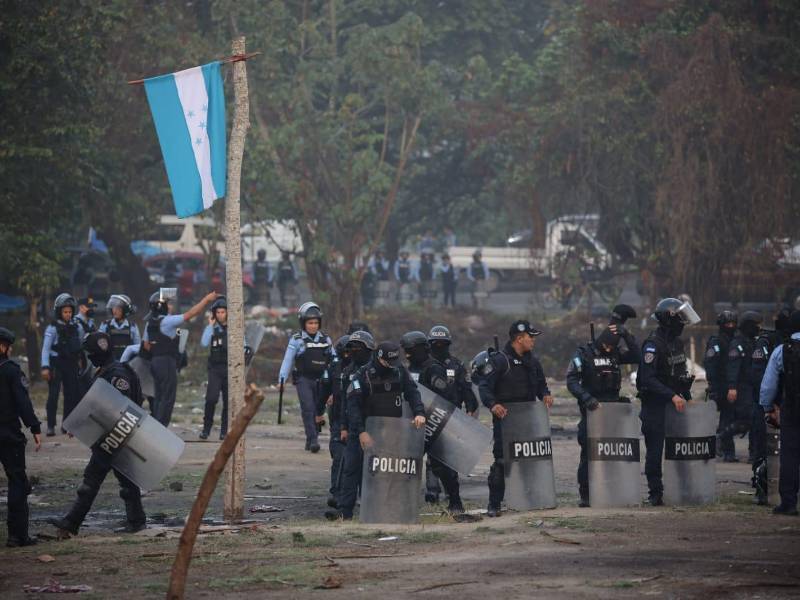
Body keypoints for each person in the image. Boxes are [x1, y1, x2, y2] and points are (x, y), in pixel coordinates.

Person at [48, 332, 146, 536]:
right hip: (113, 436)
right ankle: (137, 522)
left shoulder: (117, 374)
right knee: (126, 482)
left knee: (92, 480)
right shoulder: (108, 371)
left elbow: (120, 408)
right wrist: (81, 424)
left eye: (91, 353)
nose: (89, 357)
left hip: (115, 436)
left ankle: (71, 522)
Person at [333, 341, 426, 520]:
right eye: (387, 362)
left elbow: (412, 392)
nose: (391, 366)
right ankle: (345, 513)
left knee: (388, 471)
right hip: (364, 430)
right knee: (352, 469)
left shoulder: (399, 370)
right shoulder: (362, 375)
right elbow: (352, 407)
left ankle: (386, 509)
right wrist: (361, 432)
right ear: (379, 358)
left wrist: (419, 413)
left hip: (391, 431)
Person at [566, 305, 639, 506]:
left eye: (612, 348)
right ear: (601, 342)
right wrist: (586, 398)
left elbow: (638, 356)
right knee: (588, 455)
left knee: (612, 454)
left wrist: (627, 335)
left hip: (612, 412)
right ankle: (586, 494)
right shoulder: (585, 354)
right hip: (592, 411)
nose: (609, 350)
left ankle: (611, 489)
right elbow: (571, 381)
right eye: (607, 347)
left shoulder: (615, 352)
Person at [479, 320, 553, 517]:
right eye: (531, 337)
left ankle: (529, 499)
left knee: (529, 460)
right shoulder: (499, 360)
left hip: (528, 418)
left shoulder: (532, 361)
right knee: (502, 461)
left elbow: (541, 383)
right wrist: (493, 404)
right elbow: (484, 387)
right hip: (506, 419)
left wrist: (545, 394)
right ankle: (494, 504)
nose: (533, 341)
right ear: (519, 339)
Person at [636, 297, 700, 506]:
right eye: (679, 319)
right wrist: (671, 395)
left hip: (676, 405)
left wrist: (686, 396)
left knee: (680, 448)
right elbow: (647, 378)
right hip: (655, 405)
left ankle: (682, 488)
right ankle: (655, 493)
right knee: (655, 451)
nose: (682, 324)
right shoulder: (653, 345)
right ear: (669, 319)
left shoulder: (677, 343)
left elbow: (680, 373)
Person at [143, 289, 218, 426]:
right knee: (168, 397)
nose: (170, 306)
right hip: (166, 362)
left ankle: (155, 426)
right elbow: (192, 313)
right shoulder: (167, 321)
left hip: (155, 362)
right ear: (161, 306)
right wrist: (206, 300)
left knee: (159, 397)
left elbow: (146, 345)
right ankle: (161, 428)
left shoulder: (150, 323)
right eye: (168, 304)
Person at [428, 325, 480, 512]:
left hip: (452, 420)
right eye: (436, 344)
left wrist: (471, 407)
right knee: (433, 462)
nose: (440, 347)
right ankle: (431, 493)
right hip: (428, 420)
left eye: (443, 344)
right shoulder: (425, 366)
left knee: (448, 463)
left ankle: (455, 500)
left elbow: (466, 389)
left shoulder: (456, 365)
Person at [325, 330, 376, 519]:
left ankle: (370, 506)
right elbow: (345, 403)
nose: (354, 351)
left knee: (371, 469)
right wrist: (344, 427)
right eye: (352, 348)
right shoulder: (347, 372)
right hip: (354, 427)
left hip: (375, 426)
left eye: (358, 348)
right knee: (350, 468)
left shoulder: (377, 370)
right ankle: (345, 511)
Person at [0, 327, 42, 547]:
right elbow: (22, 402)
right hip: (7, 435)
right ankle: (17, 535)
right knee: (17, 481)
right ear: (4, 347)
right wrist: (34, 427)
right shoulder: (11, 370)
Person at [278, 302, 334, 452]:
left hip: (322, 380)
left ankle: (312, 437)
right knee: (308, 408)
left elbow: (334, 360)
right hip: (303, 379)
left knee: (318, 409)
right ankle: (313, 439)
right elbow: (287, 360)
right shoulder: (297, 340)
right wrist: (281, 379)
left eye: (316, 323)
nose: (313, 326)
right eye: (310, 323)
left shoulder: (326, 340)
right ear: (303, 323)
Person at [760, 310, 800, 516]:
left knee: (790, 456)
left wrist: (768, 408)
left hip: (792, 410)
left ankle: (789, 503)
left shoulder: (782, 351)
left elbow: (768, 386)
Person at [751, 308, 791, 504]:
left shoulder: (785, 346)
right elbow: (761, 378)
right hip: (772, 404)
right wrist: (770, 406)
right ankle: (762, 488)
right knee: (764, 447)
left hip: (782, 404)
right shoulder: (769, 342)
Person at [41, 293, 85, 436]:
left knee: (71, 395)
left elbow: (80, 344)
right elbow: (46, 349)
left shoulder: (76, 327)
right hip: (56, 364)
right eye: (65, 312)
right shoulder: (52, 328)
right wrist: (45, 367)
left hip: (71, 364)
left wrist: (80, 362)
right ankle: (51, 426)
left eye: (70, 312)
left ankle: (67, 424)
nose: (68, 314)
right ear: (59, 312)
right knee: (53, 395)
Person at [722, 311, 762, 462]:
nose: (759, 328)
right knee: (746, 420)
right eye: (756, 325)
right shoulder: (737, 343)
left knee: (755, 421)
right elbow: (733, 366)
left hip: (752, 387)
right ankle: (722, 437)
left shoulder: (752, 341)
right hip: (742, 387)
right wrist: (732, 387)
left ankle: (754, 453)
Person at [704, 310, 738, 461]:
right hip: (721, 386)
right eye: (728, 324)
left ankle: (726, 449)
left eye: (733, 323)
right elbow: (710, 364)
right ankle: (725, 450)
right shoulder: (716, 342)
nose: (730, 326)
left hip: (731, 385)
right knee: (726, 417)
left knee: (730, 418)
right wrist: (713, 385)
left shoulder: (735, 341)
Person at [199, 296, 230, 440]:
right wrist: (210, 325)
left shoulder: (234, 328)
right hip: (215, 369)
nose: (220, 315)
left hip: (230, 368)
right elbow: (204, 343)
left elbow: (243, 345)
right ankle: (206, 429)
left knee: (228, 401)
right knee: (211, 399)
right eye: (217, 312)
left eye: (223, 312)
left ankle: (224, 430)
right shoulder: (212, 328)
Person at [99, 294, 140, 361]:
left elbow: (137, 348)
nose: (114, 311)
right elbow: (99, 345)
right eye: (113, 308)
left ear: (125, 310)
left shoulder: (133, 327)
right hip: (109, 364)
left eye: (118, 308)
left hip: (127, 364)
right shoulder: (105, 325)